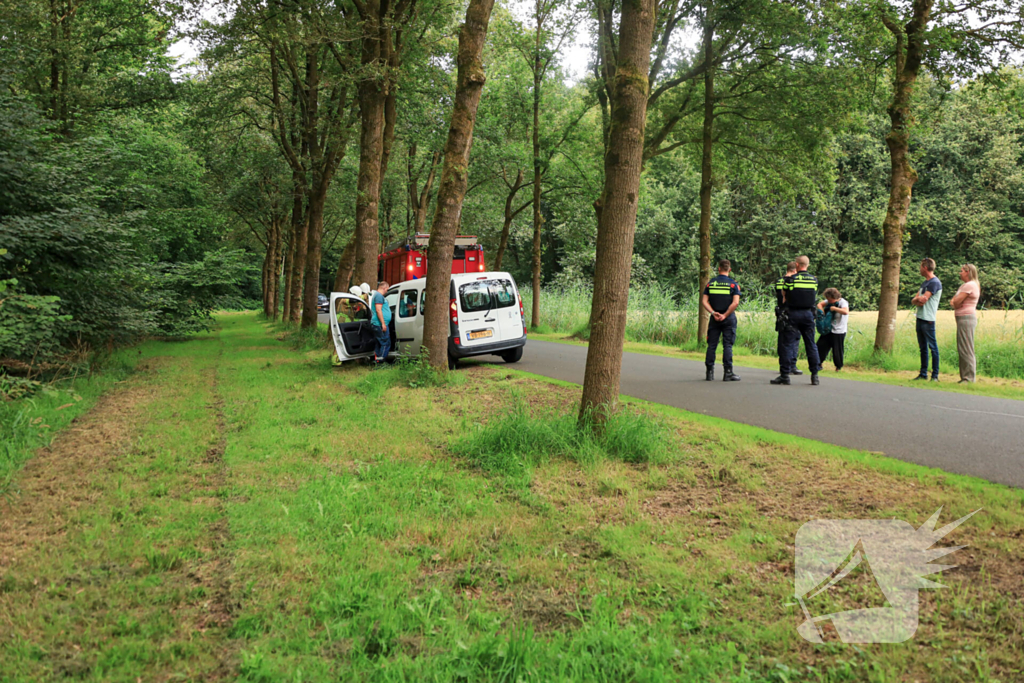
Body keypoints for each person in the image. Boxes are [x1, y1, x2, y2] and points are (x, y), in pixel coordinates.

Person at [772, 255, 821, 386]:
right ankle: (815, 376)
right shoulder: (814, 280)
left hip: (792, 314)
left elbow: (784, 295)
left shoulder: (789, 280)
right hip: (808, 314)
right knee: (811, 344)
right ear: (807, 265)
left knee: (787, 344)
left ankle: (785, 376)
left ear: (797, 265)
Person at [701, 259, 742, 382]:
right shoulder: (733, 285)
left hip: (714, 319)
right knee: (727, 345)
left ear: (718, 269)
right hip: (728, 318)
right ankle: (728, 373)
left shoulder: (710, 284)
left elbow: (704, 301)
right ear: (729, 270)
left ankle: (709, 373)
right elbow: (735, 303)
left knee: (712, 345)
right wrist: (725, 315)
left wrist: (713, 313)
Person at [911, 258, 942, 381]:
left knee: (932, 347)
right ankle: (923, 374)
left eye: (920, 266)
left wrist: (919, 299)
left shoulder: (934, 283)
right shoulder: (925, 283)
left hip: (928, 319)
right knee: (923, 348)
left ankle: (935, 375)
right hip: (920, 317)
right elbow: (915, 300)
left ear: (925, 267)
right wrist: (918, 299)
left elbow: (923, 300)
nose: (919, 269)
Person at [950, 263, 981, 383]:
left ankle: (968, 378)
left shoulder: (969, 285)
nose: (960, 273)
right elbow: (953, 301)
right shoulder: (966, 286)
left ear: (968, 272)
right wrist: (955, 302)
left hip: (966, 318)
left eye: (962, 271)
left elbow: (956, 302)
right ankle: (965, 377)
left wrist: (956, 302)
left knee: (966, 348)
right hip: (962, 318)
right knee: (963, 348)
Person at [774, 261, 803, 377]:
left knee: (782, 339)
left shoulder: (778, 281)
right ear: (795, 270)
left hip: (781, 312)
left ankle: (783, 364)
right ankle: (792, 365)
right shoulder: (794, 281)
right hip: (793, 311)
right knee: (795, 339)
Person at [816, 288, 850, 371]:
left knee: (837, 350)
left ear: (834, 297)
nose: (828, 301)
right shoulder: (828, 301)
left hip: (839, 331)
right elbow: (819, 305)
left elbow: (846, 311)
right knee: (820, 346)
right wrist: (823, 313)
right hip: (828, 329)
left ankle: (838, 367)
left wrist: (834, 309)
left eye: (829, 299)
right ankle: (818, 364)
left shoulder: (843, 302)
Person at [370, 281, 391, 365]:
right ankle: (381, 361)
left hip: (376, 323)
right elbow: (378, 310)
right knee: (385, 342)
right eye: (387, 289)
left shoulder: (377, 295)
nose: (387, 291)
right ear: (384, 288)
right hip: (379, 324)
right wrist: (383, 323)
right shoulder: (379, 296)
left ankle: (377, 360)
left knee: (379, 343)